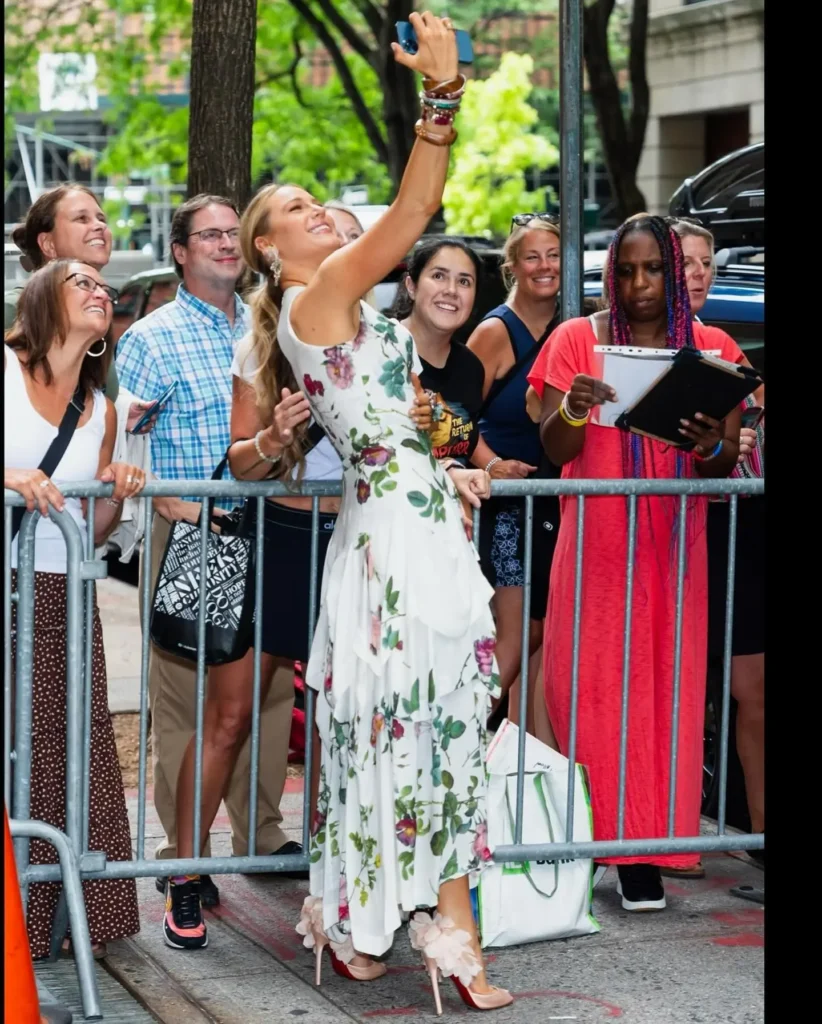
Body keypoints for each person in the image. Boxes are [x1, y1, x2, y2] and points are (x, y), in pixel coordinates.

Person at [227, 14, 511, 1011]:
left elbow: (401, 430)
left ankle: (385, 931)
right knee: (415, 732)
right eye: (298, 209)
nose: (321, 215)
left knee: (421, 732)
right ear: (269, 247)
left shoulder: (354, 317)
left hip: (407, 525)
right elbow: (417, 205)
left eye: (320, 206)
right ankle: (418, 931)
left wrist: (454, 470)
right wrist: (442, 98)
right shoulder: (317, 298)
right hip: (393, 549)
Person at [533, 214, 744, 913]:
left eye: (654, 268)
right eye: (625, 271)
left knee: (665, 695)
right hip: (593, 548)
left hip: (672, 551)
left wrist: (712, 441)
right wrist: (571, 408)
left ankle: (648, 852)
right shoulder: (575, 339)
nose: (640, 284)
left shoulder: (711, 347)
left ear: (676, 270)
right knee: (585, 690)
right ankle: (611, 844)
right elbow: (555, 451)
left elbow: (719, 467)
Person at [116, 195, 300, 927]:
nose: (227, 245)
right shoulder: (152, 339)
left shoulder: (269, 324)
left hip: (273, 527)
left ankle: (260, 836)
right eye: (211, 236)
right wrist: (160, 497)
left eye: (234, 234)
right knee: (187, 699)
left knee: (271, 691)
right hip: (193, 534)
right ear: (182, 252)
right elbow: (120, 443)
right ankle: (182, 856)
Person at [4, 259, 146, 959]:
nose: (101, 293)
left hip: (63, 590)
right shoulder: (2, 368)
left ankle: (56, 919)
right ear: (42, 299)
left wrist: (117, 491)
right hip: (4, 581)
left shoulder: (102, 410)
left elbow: (89, 533)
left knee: (65, 751)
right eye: (83, 282)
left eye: (106, 288)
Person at [670, 217, 765, 872]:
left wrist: (746, 433)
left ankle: (758, 839)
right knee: (668, 685)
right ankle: (648, 838)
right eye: (687, 262)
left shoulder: (726, 342)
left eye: (705, 262)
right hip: (660, 528)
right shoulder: (621, 340)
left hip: (733, 524)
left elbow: (755, 406)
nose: (698, 273)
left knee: (750, 686)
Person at [466, 215, 563, 734]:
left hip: (558, 502)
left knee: (547, 641)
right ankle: (453, 737)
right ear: (512, 267)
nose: (545, 266)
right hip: (507, 506)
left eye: (554, 254)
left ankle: (528, 776)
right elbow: (453, 420)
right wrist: (490, 464)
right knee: (521, 631)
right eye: (533, 256)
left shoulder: (577, 325)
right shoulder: (494, 331)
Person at [6, 185, 153, 432]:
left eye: (101, 219)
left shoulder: (96, 314)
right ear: (48, 244)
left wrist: (121, 408)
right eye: (81, 218)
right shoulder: (12, 310)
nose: (99, 226)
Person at [390, 237, 485, 469]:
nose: (451, 290)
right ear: (411, 286)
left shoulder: (470, 367)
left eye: (464, 281)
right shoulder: (382, 348)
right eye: (438, 276)